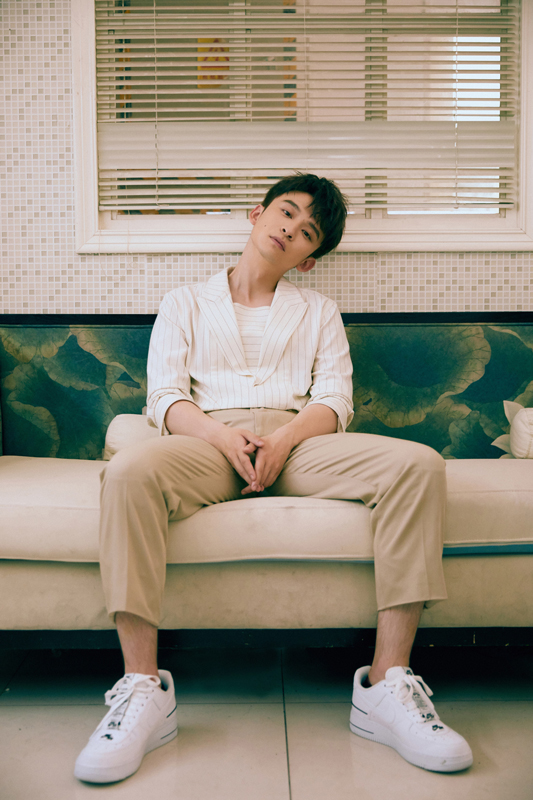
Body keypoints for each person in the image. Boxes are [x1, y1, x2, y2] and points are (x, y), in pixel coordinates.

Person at [74, 173, 473, 783]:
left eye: (307, 232)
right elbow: (164, 397)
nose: (291, 229)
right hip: (207, 441)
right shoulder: (185, 302)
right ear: (257, 213)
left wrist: (283, 442)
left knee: (417, 465)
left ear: (308, 260)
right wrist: (222, 437)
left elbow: (335, 399)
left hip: (300, 441)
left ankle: (388, 684)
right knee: (128, 472)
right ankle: (142, 688)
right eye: (286, 212)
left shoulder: (318, 311)